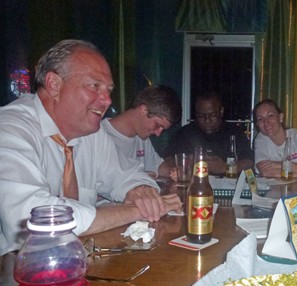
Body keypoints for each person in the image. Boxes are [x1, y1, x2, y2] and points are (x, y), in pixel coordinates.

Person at [0, 39, 181, 255]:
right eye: (95, 86)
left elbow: (129, 174)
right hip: (16, 273)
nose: (107, 100)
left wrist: (141, 190)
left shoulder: (91, 133)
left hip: (79, 264)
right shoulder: (10, 129)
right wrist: (132, 210)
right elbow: (33, 217)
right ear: (54, 85)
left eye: (109, 90)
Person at [163, 91, 254, 175]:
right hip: (192, 186)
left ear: (221, 111)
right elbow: (167, 159)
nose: (207, 120)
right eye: (201, 116)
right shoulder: (184, 134)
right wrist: (186, 164)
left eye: (212, 115)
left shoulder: (235, 133)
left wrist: (226, 168)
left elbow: (248, 162)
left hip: (228, 186)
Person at [102, 85, 181, 179]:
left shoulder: (142, 138)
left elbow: (157, 166)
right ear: (143, 110)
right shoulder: (99, 135)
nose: (158, 133)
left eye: (162, 129)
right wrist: (139, 177)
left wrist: (174, 172)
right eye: (157, 125)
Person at [253, 99, 297, 178]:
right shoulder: (261, 139)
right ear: (257, 124)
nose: (266, 122)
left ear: (280, 117)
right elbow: (266, 172)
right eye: (260, 119)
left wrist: (280, 164)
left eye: (270, 115)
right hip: (278, 190)